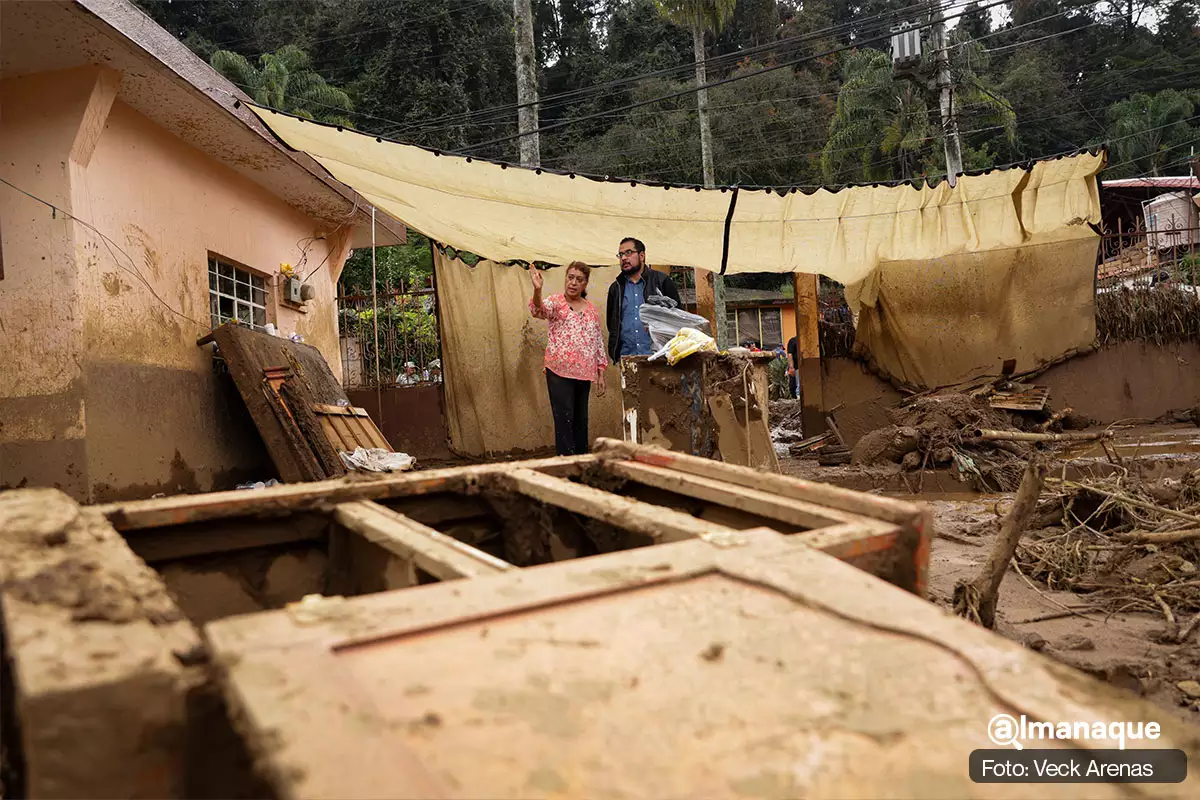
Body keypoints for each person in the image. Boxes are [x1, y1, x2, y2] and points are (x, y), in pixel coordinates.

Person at [530, 261, 608, 456]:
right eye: (570, 277)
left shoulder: (591, 310)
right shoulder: (556, 302)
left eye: (579, 280)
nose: (573, 283)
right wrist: (537, 290)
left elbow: (597, 341)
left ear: (585, 284)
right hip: (558, 371)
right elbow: (538, 310)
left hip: (584, 373)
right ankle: (566, 464)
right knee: (564, 419)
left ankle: (581, 464)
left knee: (581, 420)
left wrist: (601, 372)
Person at [606, 237, 681, 363]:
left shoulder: (661, 281)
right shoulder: (616, 288)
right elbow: (612, 323)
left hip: (659, 357)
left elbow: (677, 318)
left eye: (629, 253)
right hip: (627, 358)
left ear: (642, 256)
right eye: (620, 254)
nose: (624, 258)